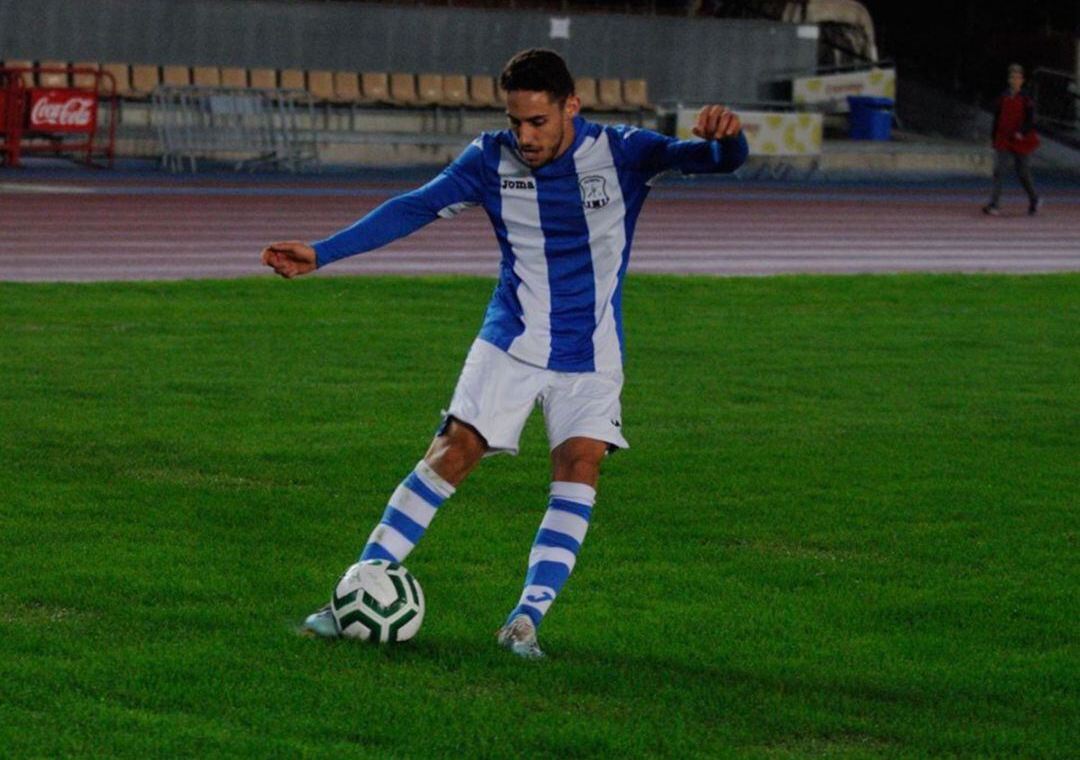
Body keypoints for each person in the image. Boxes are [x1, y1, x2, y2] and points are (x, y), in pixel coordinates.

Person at [262, 48, 747, 658]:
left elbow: (713, 161)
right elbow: (415, 206)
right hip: (513, 341)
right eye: (516, 121)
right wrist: (323, 252)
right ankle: (353, 594)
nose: (525, 135)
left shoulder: (623, 152)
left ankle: (525, 621)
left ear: (571, 106)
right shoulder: (489, 159)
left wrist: (729, 139)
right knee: (453, 451)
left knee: (580, 466)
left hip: (592, 351)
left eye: (538, 122)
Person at [983, 63, 1041, 216]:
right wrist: (993, 138)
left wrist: (1022, 132)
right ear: (1009, 80)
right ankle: (994, 204)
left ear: (1022, 80)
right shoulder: (1002, 97)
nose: (1015, 80)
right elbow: (997, 119)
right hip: (1003, 138)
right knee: (999, 170)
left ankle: (1034, 198)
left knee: (1023, 173)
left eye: (1018, 77)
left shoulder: (1026, 99)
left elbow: (1031, 121)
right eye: (1012, 77)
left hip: (1021, 139)